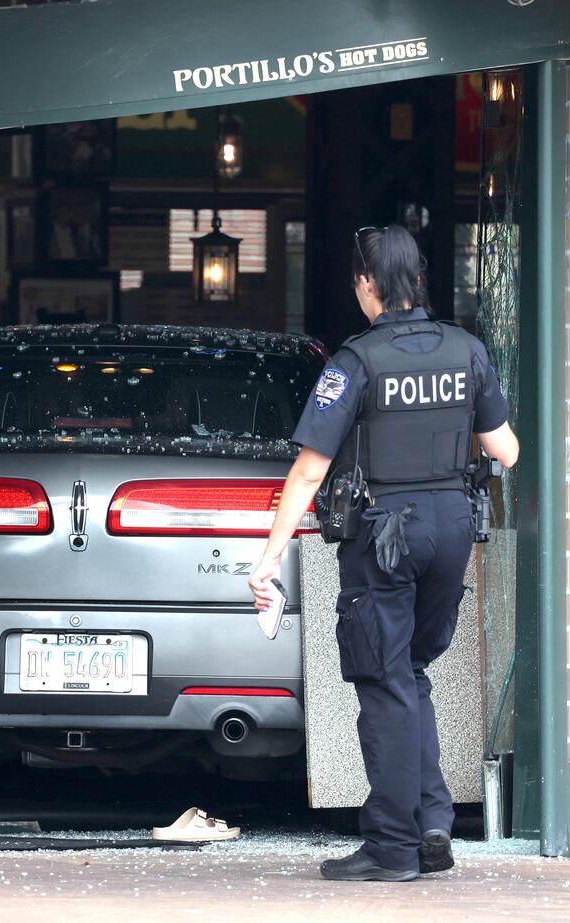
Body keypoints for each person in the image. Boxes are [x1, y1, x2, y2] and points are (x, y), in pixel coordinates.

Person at [249, 225, 519, 882]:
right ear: (418, 280)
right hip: (454, 529)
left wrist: (268, 555)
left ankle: (393, 844)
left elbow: (309, 471)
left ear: (367, 283)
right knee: (411, 671)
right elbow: (506, 449)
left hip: (384, 535)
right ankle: (431, 819)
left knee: (383, 677)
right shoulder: (467, 350)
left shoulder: (357, 362)